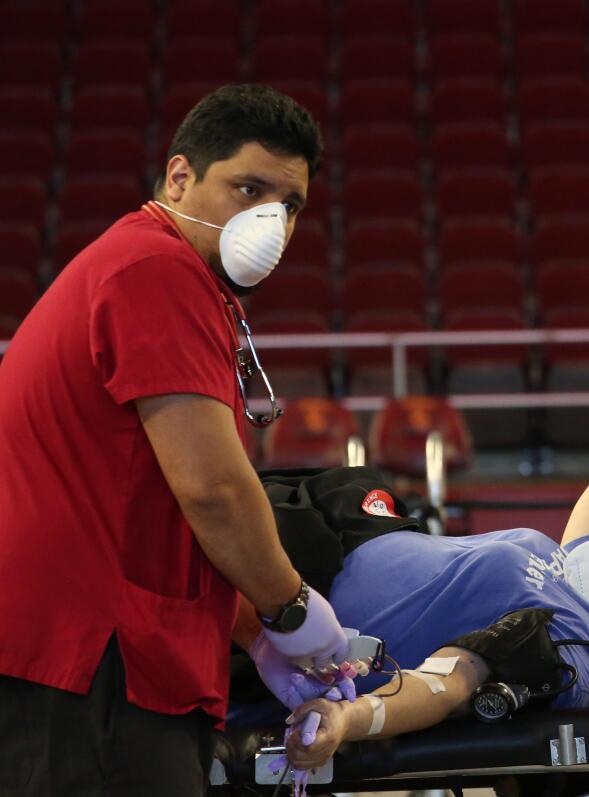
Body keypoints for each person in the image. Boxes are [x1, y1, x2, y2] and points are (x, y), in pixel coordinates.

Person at [0, 85, 353, 796]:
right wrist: (293, 610)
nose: (271, 223)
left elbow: (156, 497)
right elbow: (214, 491)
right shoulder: (157, 270)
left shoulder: (147, 268)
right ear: (180, 176)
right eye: (248, 189)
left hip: (85, 656)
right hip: (93, 662)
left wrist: (254, 630)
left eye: (289, 206)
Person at [270, 466, 589, 769]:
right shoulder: (585, 586)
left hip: (306, 583)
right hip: (351, 517)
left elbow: (450, 682)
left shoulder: (572, 647)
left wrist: (349, 718)